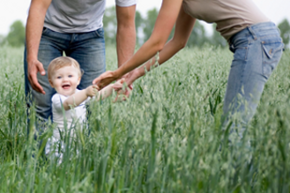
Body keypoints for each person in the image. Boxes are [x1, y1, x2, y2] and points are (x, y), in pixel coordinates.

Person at [93, 0, 284, 141]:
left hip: (255, 40)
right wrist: (133, 75)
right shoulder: (184, 3)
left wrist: (118, 73)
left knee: (233, 129)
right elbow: (178, 42)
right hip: (254, 40)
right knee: (233, 128)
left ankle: (243, 190)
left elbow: (156, 42)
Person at [24, 0, 137, 136]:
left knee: (93, 109)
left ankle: (83, 155)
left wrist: (124, 76)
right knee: (41, 108)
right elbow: (39, 6)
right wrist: (32, 58)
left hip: (91, 34)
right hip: (47, 30)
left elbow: (126, 23)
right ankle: (40, 156)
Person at [46, 56, 122, 160]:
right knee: (62, 171)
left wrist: (113, 87)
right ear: (51, 83)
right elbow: (69, 103)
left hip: (78, 144)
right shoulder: (57, 98)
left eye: (70, 76)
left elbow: (98, 96)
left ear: (78, 80)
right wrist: (86, 93)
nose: (65, 79)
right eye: (59, 77)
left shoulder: (80, 94)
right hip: (60, 146)